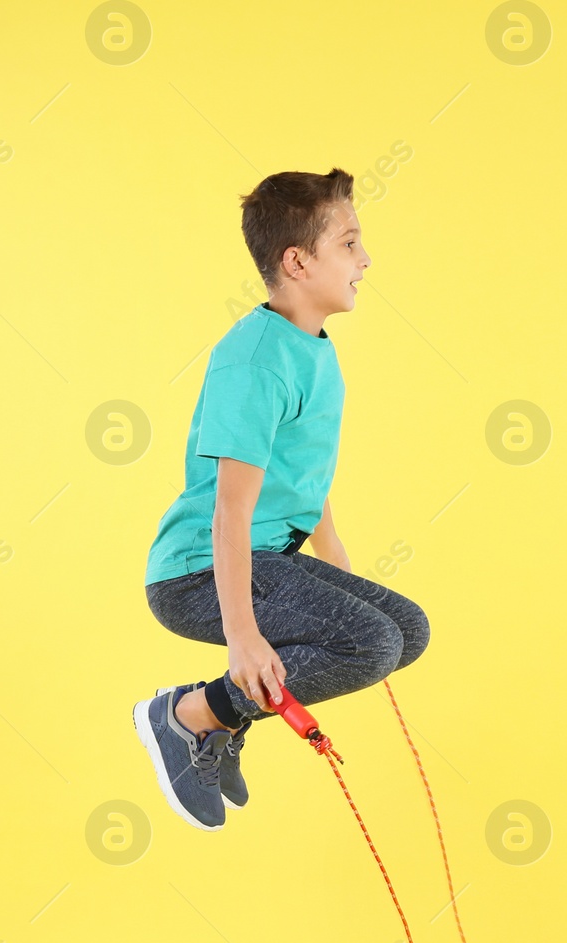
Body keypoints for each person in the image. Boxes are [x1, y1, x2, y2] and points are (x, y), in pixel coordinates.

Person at [133, 167, 430, 831]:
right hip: (198, 573)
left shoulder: (312, 348)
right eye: (349, 243)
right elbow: (231, 510)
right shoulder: (255, 360)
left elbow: (299, 471)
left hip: (272, 560)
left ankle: (219, 722)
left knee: (406, 632)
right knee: (369, 645)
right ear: (297, 261)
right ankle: (192, 716)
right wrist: (242, 637)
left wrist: (334, 554)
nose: (366, 259)